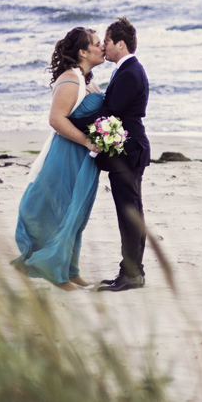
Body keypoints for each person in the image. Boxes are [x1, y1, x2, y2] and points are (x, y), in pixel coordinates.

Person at [12, 27, 105, 291]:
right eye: (97, 44)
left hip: (84, 158)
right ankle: (56, 273)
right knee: (61, 209)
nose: (102, 47)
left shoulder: (88, 81)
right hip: (67, 154)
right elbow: (55, 119)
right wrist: (88, 141)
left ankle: (70, 269)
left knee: (77, 213)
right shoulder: (69, 79)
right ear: (83, 52)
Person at [71, 17, 151, 292]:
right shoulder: (125, 69)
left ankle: (132, 275)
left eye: (106, 41)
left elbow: (110, 113)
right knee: (131, 213)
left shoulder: (129, 71)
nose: (103, 46)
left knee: (129, 214)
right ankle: (131, 272)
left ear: (120, 43)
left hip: (129, 151)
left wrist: (73, 121)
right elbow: (111, 108)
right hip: (129, 150)